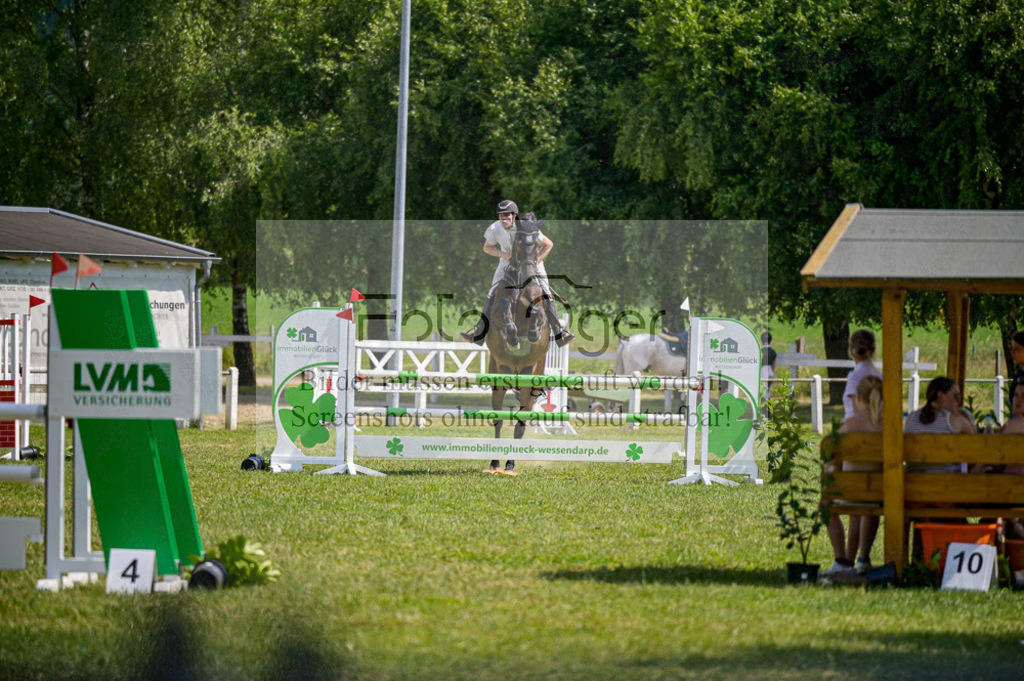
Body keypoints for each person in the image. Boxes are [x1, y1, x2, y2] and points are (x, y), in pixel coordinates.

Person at [460, 199, 575, 347]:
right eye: (501, 215)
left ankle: (559, 332)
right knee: (492, 290)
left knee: (545, 290)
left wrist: (536, 260)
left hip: (530, 263)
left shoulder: (525, 227)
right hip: (507, 262)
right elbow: (487, 247)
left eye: (507, 215)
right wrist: (502, 254)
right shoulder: (495, 229)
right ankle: (480, 332)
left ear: (514, 216)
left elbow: (548, 244)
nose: (503, 218)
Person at [823, 375, 883, 578]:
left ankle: (841, 559)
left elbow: (833, 466)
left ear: (857, 398)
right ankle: (863, 557)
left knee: (825, 504)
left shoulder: (845, 426)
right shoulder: (889, 427)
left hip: (849, 493)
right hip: (879, 494)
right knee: (870, 505)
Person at [905, 376, 975, 472]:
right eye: (956, 396)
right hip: (944, 483)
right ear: (940, 395)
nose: (959, 401)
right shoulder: (956, 420)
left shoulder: (911, 417)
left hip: (911, 482)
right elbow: (976, 450)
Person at [843, 330, 881, 422]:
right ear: (873, 349)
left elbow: (857, 414)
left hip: (856, 431)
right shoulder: (880, 376)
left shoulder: (854, 377)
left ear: (851, 350)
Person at [760, 331, 777, 405]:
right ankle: (768, 412)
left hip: (763, 371)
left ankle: (764, 411)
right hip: (770, 371)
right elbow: (774, 365)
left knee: (763, 393)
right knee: (768, 393)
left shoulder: (761, 351)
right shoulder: (773, 352)